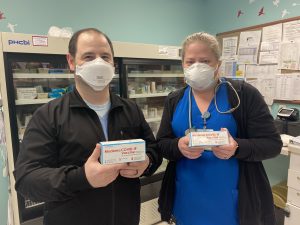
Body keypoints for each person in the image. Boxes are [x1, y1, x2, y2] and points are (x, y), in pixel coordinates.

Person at [14, 28, 162, 225]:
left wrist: (147, 162)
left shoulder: (130, 110)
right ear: (71, 62)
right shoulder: (48, 116)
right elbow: (26, 179)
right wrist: (82, 177)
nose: (98, 63)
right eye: (89, 56)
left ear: (113, 63)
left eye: (105, 56)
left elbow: (153, 150)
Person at [157, 32, 283, 225]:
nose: (197, 66)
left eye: (205, 60)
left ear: (218, 64)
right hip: (186, 199)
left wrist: (237, 147)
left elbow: (272, 145)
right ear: (182, 64)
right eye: (190, 61)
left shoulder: (243, 95)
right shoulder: (174, 100)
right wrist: (178, 147)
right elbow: (162, 144)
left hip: (232, 203)